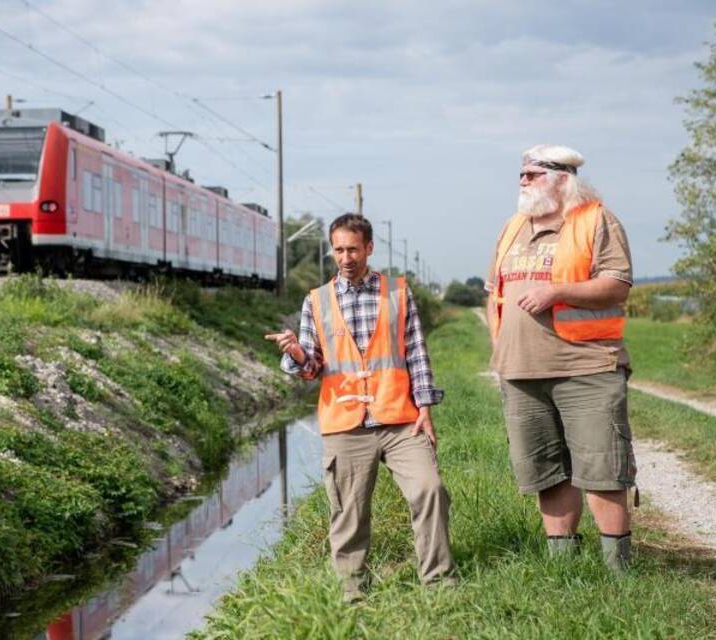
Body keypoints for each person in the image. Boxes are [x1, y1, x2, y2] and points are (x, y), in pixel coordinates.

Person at [265, 213, 454, 603]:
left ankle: (439, 585)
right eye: (338, 249)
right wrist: (298, 353)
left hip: (400, 419)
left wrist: (425, 409)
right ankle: (354, 597)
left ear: (369, 247)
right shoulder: (315, 301)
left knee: (430, 490)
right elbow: (313, 368)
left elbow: (416, 353)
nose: (346, 257)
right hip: (345, 424)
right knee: (348, 515)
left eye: (353, 248)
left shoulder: (398, 293)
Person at [484, 144, 636, 572]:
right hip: (520, 371)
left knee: (603, 472)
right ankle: (563, 571)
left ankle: (619, 575)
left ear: (563, 179)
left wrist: (558, 291)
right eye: (522, 174)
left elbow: (617, 284)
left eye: (533, 174)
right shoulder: (512, 227)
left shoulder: (595, 220)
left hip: (585, 367)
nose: (523, 181)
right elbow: (494, 294)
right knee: (546, 474)